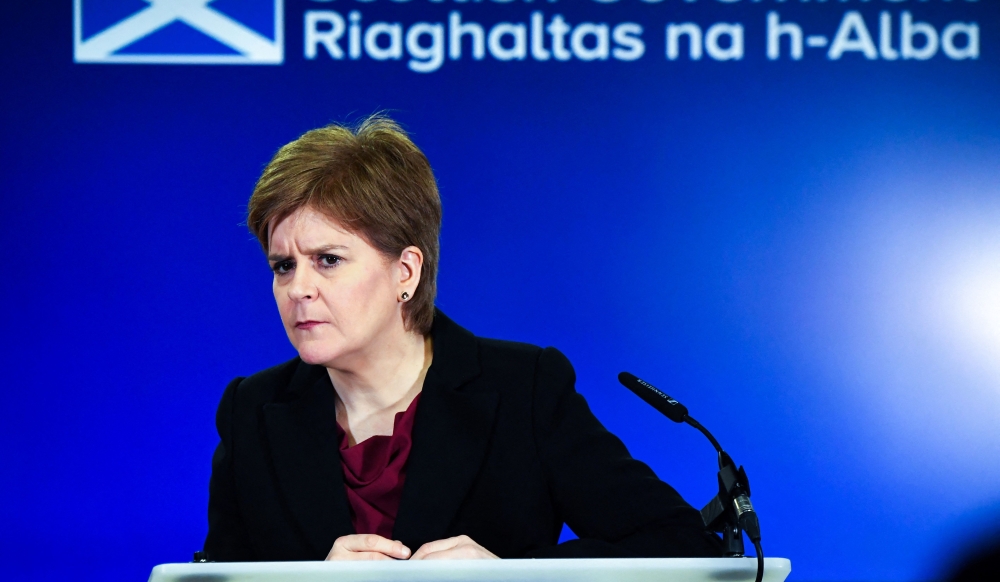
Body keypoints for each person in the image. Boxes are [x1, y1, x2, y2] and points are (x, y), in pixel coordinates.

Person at [203, 114, 722, 561]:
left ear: (405, 271)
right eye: (283, 266)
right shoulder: (253, 410)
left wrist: (508, 575)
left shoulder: (524, 390)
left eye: (328, 260)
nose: (299, 289)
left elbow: (679, 542)